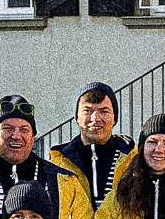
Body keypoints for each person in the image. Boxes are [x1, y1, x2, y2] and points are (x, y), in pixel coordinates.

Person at [50, 82, 134, 211]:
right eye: (87, 111)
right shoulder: (58, 165)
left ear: (114, 118)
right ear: (77, 118)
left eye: (104, 111)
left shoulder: (133, 160)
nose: (95, 118)